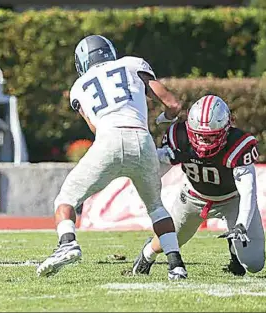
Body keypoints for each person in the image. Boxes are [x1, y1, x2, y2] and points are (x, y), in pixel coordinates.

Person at [36, 34, 187, 280]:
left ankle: (67, 243)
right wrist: (164, 119)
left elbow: (95, 128)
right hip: (142, 139)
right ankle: (176, 265)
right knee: (156, 208)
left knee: (66, 200)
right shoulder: (132, 64)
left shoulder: (79, 85)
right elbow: (173, 104)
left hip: (109, 139)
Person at [132, 95, 265, 277]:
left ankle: (235, 250)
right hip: (193, 197)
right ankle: (146, 255)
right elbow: (154, 170)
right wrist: (163, 157)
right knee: (170, 240)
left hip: (232, 199)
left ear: (226, 129)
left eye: (210, 137)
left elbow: (248, 190)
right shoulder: (178, 136)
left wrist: (241, 224)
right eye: (199, 136)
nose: (203, 142)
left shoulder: (238, 144)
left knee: (255, 263)